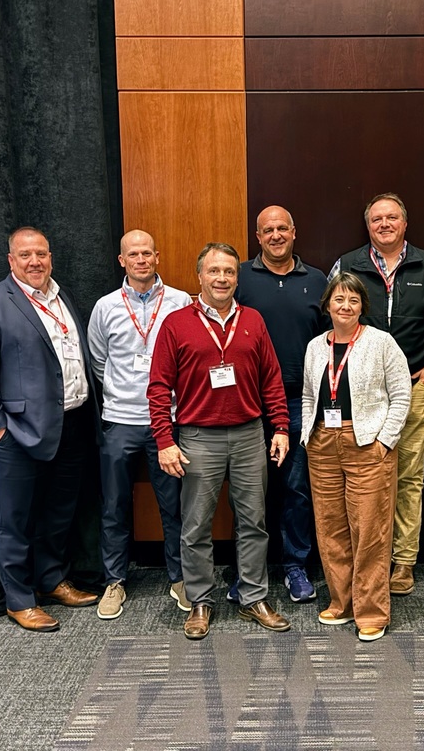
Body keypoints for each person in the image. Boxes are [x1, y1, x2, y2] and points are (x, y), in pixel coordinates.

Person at [148, 242, 292, 640]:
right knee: (195, 525)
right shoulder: (176, 324)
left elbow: (271, 379)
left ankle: (253, 598)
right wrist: (164, 440)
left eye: (229, 271)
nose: (222, 278)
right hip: (198, 438)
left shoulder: (254, 321)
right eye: (214, 271)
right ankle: (200, 601)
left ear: (236, 277)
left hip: (249, 434)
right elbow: (158, 388)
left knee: (254, 522)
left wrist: (280, 427)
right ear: (200, 277)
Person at [0, 226, 99, 632]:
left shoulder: (61, 297)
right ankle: (19, 599)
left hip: (72, 423)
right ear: (11, 260)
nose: (34, 261)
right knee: (16, 518)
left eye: (41, 254)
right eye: (25, 255)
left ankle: (52, 578)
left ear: (50, 257)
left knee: (59, 512)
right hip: (19, 432)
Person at [330, 193, 424, 596]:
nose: (384, 224)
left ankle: (402, 562)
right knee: (363, 477)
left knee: (407, 477)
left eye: (392, 217)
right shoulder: (347, 265)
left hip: (415, 388)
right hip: (360, 392)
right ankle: (369, 560)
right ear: (368, 226)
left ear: (405, 223)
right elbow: (332, 316)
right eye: (377, 219)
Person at [87, 230, 194, 620]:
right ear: (122, 261)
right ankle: (114, 580)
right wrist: (123, 393)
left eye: (147, 252)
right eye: (133, 254)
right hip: (120, 421)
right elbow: (99, 362)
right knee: (114, 505)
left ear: (157, 257)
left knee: (174, 505)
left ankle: (180, 576)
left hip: (168, 421)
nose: (141, 259)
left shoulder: (182, 301)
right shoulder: (106, 307)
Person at [302, 272, 410, 642]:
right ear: (327, 305)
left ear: (362, 306)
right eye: (338, 299)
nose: (345, 306)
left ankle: (371, 611)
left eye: (353, 300)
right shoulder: (316, 346)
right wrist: (307, 435)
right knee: (330, 527)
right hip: (323, 444)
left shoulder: (382, 342)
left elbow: (401, 395)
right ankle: (342, 601)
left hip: (366, 442)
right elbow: (306, 395)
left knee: (369, 530)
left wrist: (385, 440)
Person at [234, 206, 328, 603]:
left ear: (294, 232)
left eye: (282, 228)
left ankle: (295, 567)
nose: (275, 235)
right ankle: (247, 573)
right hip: (243, 402)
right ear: (257, 237)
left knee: (296, 489)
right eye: (267, 229)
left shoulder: (319, 280)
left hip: (297, 401)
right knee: (247, 491)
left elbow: (330, 343)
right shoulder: (238, 278)